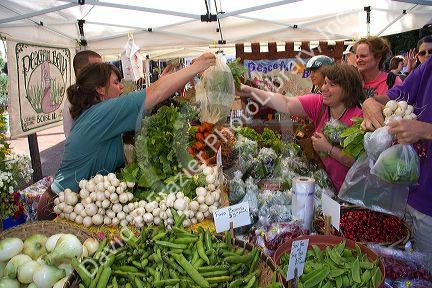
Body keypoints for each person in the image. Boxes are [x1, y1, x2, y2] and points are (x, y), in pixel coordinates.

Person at [37, 53, 216, 220]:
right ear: (100, 89)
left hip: (81, 205)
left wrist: (164, 81)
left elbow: (146, 101)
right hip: (59, 208)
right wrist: (196, 67)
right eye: (115, 82)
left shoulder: (97, 113)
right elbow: (153, 93)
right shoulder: (101, 113)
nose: (121, 87)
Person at [238, 64, 365, 192]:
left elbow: (357, 162)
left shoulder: (359, 117)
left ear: (348, 89)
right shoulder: (320, 104)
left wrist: (328, 148)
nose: (324, 88)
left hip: (353, 191)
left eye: (332, 85)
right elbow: (285, 103)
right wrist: (248, 90)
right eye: (325, 82)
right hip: (327, 187)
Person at [361, 56, 432, 253]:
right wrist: (370, 102)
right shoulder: (428, 65)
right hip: (409, 193)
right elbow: (397, 96)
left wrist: (425, 130)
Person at [63, 50, 102, 138]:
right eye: (96, 69)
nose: (101, 73)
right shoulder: (75, 98)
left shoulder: (93, 92)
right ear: (80, 71)